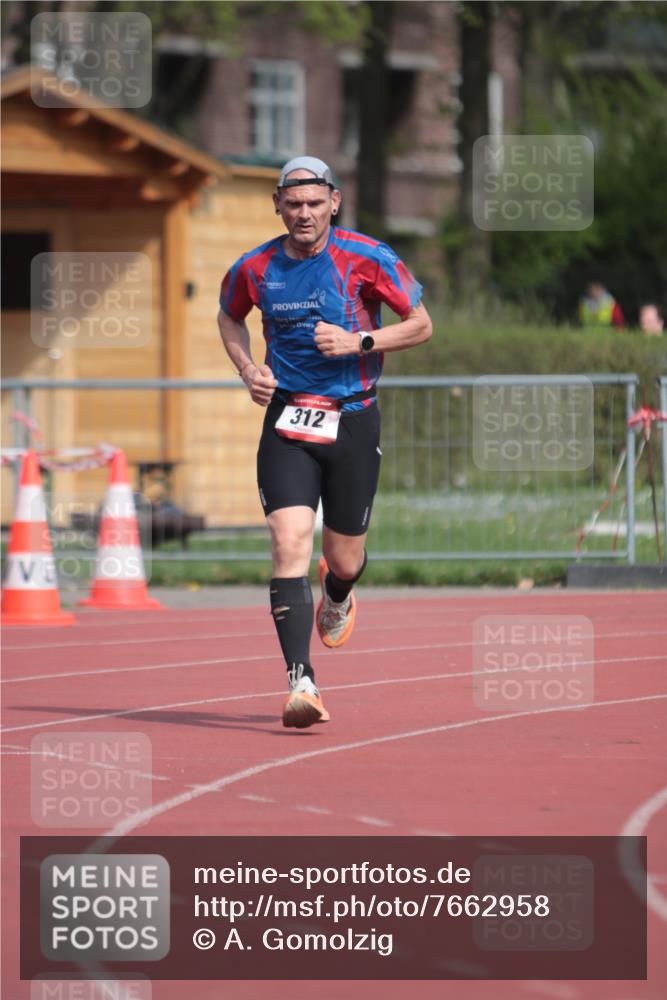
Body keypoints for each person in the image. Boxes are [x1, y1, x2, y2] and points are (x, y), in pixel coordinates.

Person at [217, 155, 432, 729]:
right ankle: (301, 682)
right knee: (288, 540)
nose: (304, 214)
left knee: (344, 556)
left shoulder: (368, 257)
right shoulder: (255, 266)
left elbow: (421, 323)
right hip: (288, 420)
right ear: (278, 206)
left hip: (353, 420)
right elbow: (228, 317)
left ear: (334, 202)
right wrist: (247, 370)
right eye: (294, 204)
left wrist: (359, 341)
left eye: (315, 204)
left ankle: (338, 591)